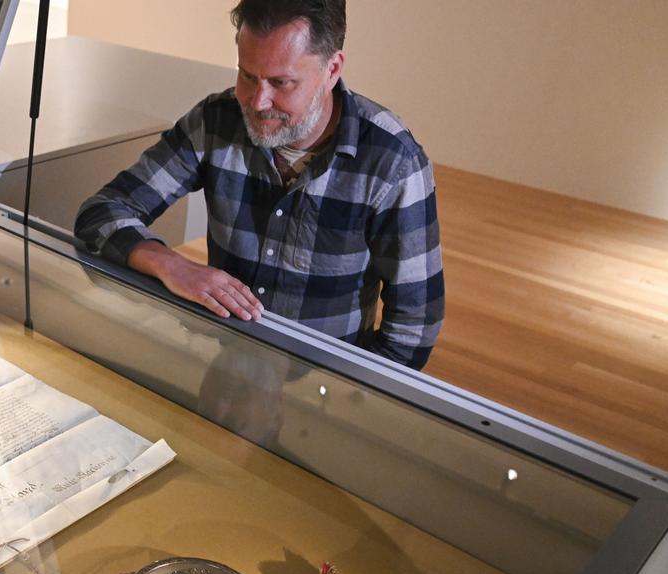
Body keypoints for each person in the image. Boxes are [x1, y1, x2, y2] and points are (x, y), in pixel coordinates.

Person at [75, 0, 443, 370]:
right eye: (247, 75)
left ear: (332, 69)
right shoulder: (215, 122)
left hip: (322, 393)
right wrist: (171, 264)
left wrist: (348, 405)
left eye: (281, 83)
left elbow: (412, 332)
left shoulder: (395, 162)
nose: (257, 101)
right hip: (222, 371)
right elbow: (102, 212)